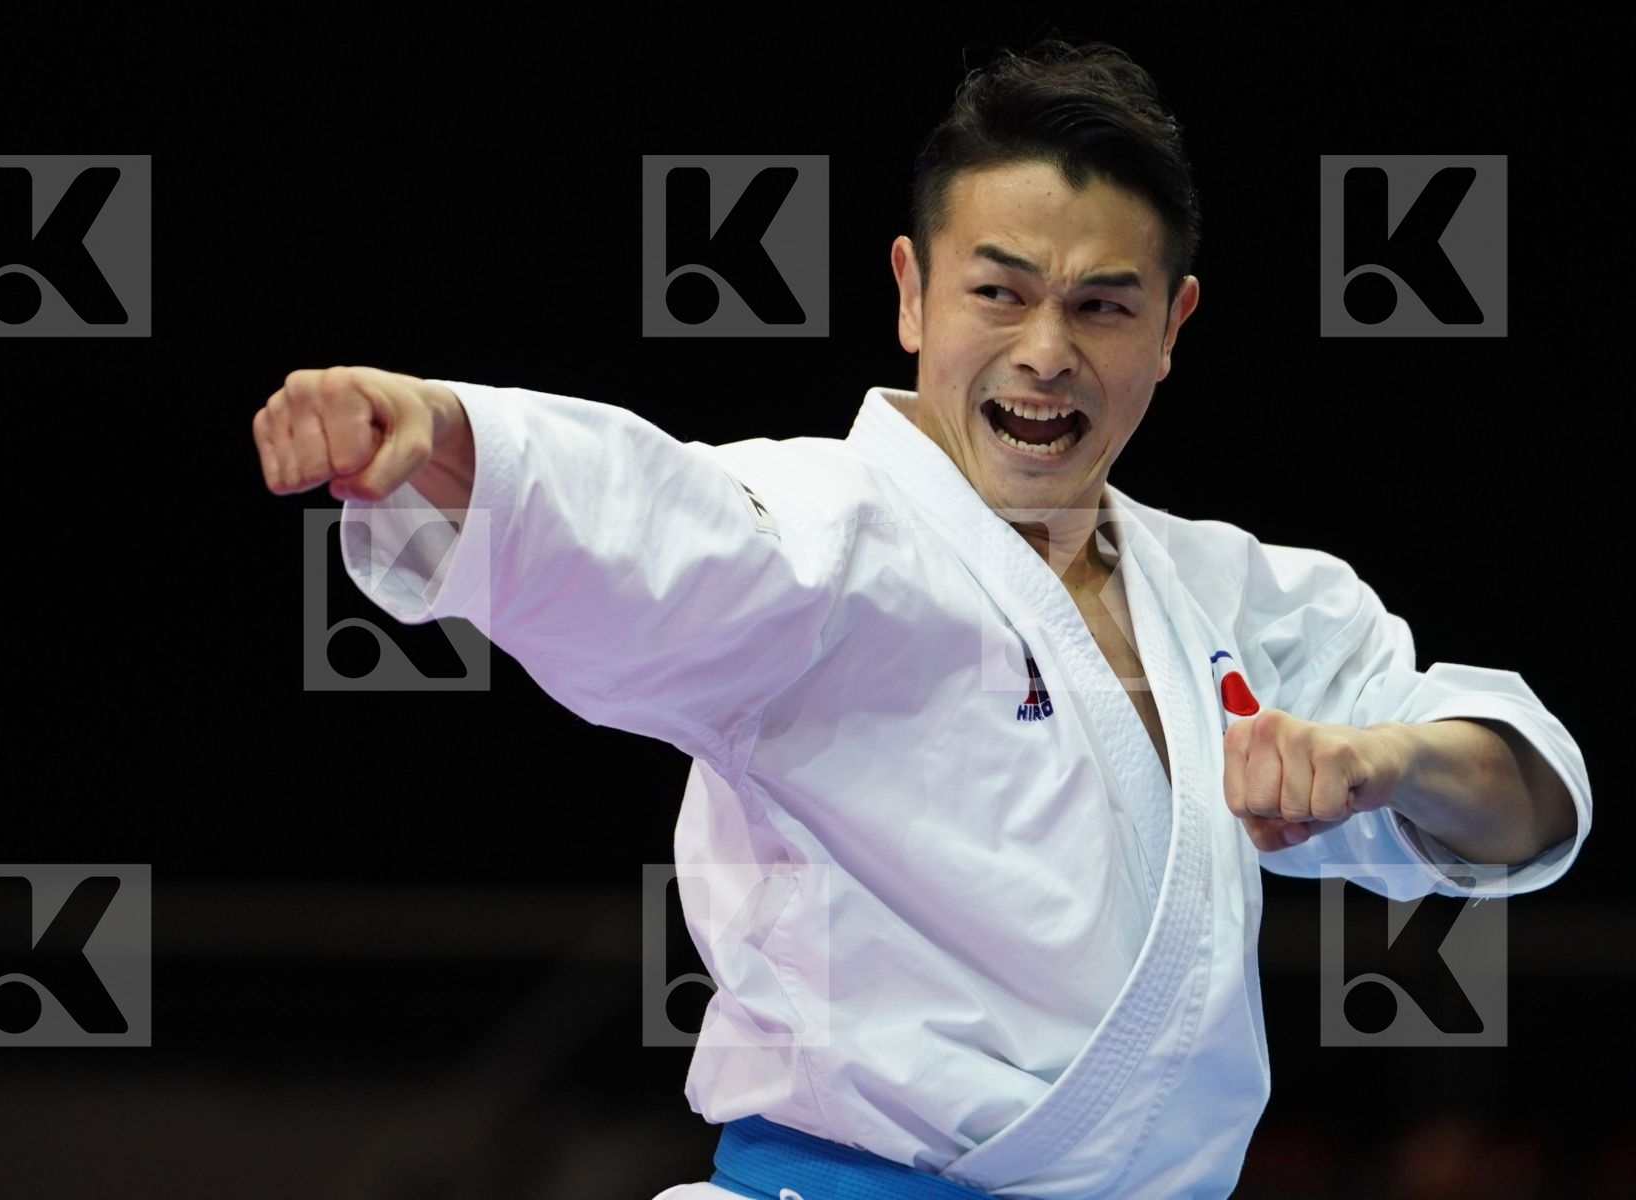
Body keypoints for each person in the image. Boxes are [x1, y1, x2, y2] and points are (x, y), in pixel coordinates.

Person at [250, 38, 1590, 1200]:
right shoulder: (823, 541)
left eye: (1102, 305)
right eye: (998, 292)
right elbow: (643, 521)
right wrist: (438, 431)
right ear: (910, 290)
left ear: (1173, 324)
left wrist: (1385, 760)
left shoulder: (1231, 595)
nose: (1046, 350)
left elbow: (1523, 800)